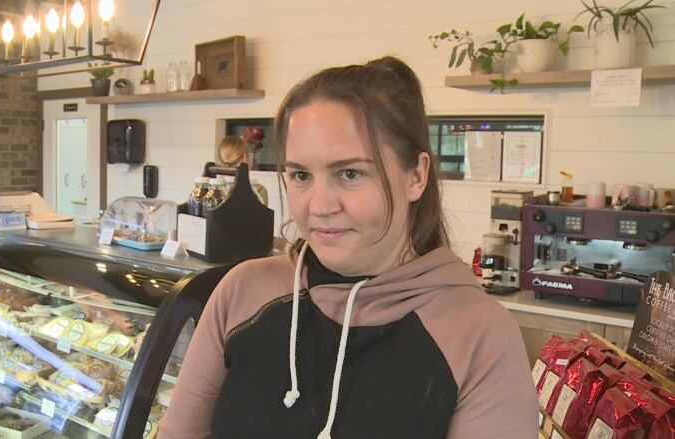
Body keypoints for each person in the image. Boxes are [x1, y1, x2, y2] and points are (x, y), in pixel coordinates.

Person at [158, 56, 538, 438]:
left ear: (416, 176)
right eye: (301, 175)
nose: (320, 206)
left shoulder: (478, 333)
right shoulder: (242, 293)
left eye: (350, 173)